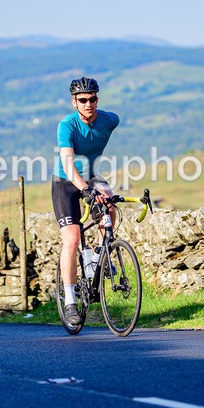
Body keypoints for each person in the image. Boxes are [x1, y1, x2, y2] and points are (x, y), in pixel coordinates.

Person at [52, 77, 120, 327]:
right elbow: (69, 166)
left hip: (91, 175)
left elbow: (114, 120)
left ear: (97, 100)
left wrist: (92, 188)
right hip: (65, 180)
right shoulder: (67, 126)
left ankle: (102, 255)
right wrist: (85, 190)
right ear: (74, 103)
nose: (88, 104)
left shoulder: (110, 120)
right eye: (82, 100)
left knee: (110, 205)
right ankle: (70, 302)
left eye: (92, 99)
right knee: (72, 239)